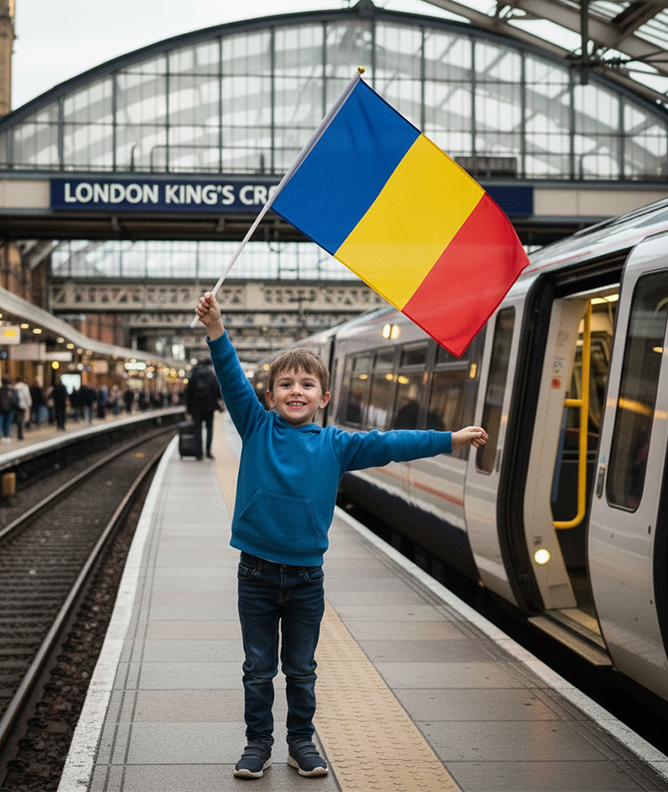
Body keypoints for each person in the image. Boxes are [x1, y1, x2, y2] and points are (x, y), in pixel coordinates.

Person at [193, 292, 488, 779]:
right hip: (257, 573)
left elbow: (392, 443)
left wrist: (449, 439)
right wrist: (216, 329)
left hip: (308, 577)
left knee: (303, 670)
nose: (295, 391)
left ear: (323, 398)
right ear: (268, 397)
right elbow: (229, 374)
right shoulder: (255, 426)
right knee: (258, 668)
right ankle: (257, 744)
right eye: (285, 384)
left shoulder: (337, 445)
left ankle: (301, 744)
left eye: (307, 384)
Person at [185, 358, 222, 459]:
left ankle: (199, 453)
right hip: (209, 407)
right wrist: (219, 404)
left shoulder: (194, 375)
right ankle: (208, 451)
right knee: (209, 429)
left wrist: (188, 409)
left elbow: (188, 393)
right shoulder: (211, 375)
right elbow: (217, 390)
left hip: (196, 408)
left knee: (197, 429)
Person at [0, 377, 16, 442]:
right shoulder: (12, 390)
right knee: (8, 422)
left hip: (0, 408)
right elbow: (15, 399)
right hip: (10, 408)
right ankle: (6, 434)